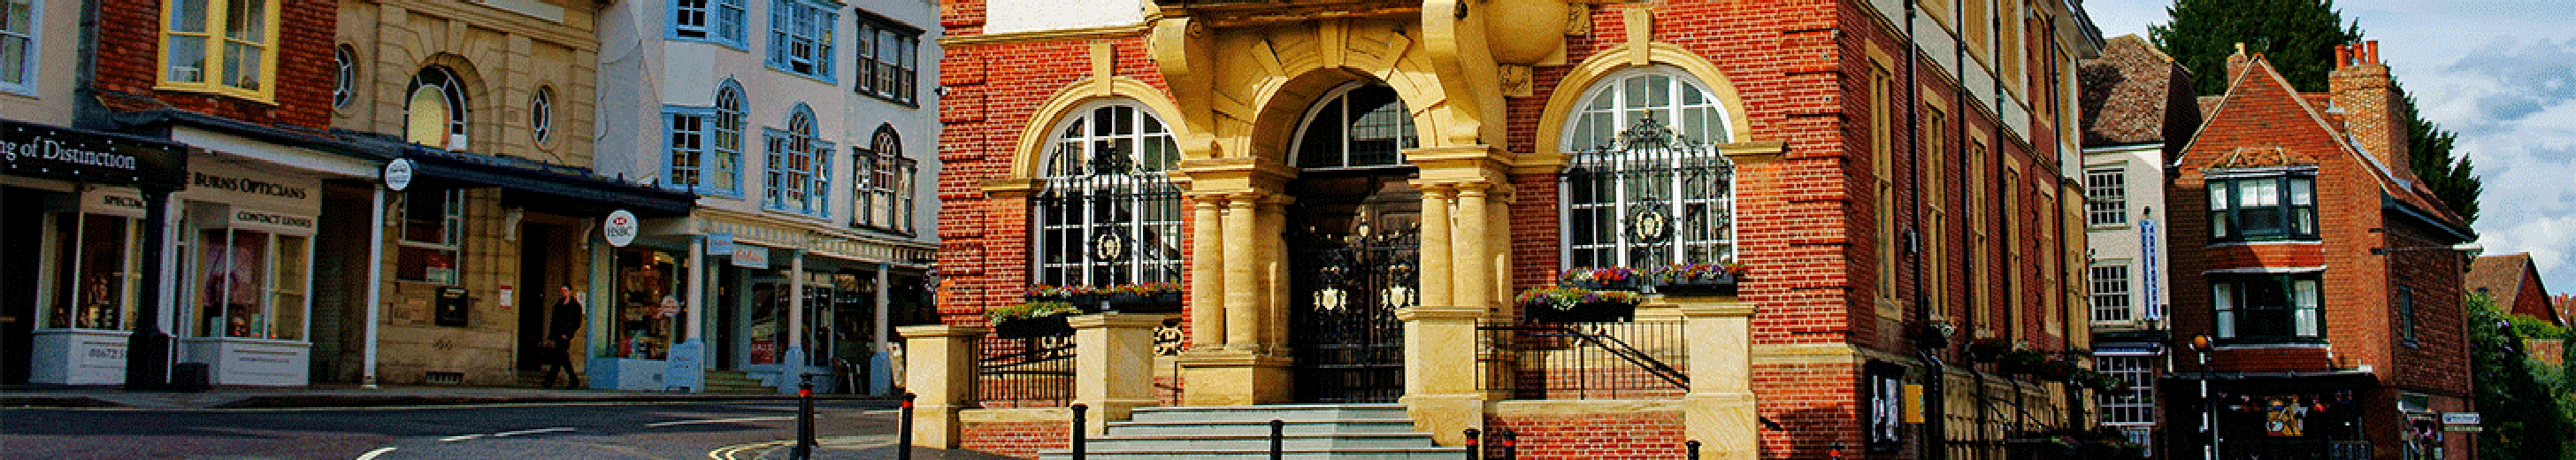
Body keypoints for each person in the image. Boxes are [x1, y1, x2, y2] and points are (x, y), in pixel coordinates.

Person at [539, 284, 585, 388]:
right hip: (557, 334)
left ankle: (550, 380)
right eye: (562, 290)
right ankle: (573, 380)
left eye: (565, 290)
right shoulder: (559, 304)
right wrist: (551, 336)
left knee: (559, 357)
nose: (563, 292)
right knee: (561, 357)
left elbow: (577, 322)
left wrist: (568, 334)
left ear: (570, 292)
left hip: (566, 336)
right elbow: (554, 321)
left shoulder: (575, 306)